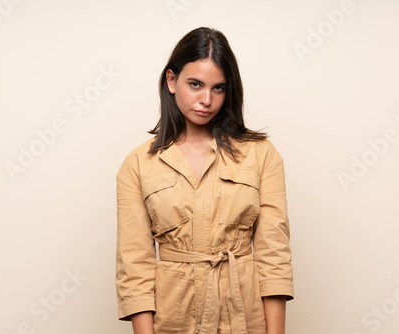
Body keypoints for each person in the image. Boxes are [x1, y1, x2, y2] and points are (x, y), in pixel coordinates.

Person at [116, 26, 294, 334]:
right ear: (171, 81)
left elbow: (273, 256)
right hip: (173, 320)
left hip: (245, 318)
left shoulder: (261, 154)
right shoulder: (138, 164)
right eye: (195, 85)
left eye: (218, 88)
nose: (206, 100)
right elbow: (135, 267)